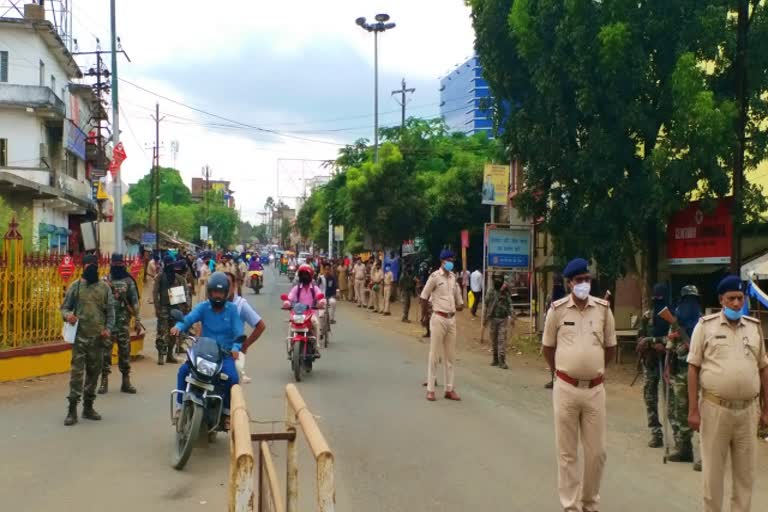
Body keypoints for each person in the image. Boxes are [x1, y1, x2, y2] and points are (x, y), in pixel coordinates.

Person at [687, 275, 768, 512]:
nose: (736, 304)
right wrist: (693, 411)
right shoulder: (705, 326)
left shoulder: (753, 328)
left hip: (747, 411)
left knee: (745, 477)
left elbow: (763, 369)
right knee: (713, 476)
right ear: (721, 300)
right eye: (731, 298)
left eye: (740, 299)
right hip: (715, 410)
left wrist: (765, 409)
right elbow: (693, 369)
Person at [541, 258, 616, 512]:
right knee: (567, 453)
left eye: (587, 279)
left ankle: (589, 502)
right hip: (566, 388)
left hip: (595, 389)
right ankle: (570, 506)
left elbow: (610, 348)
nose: (584, 284)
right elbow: (547, 348)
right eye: (579, 280)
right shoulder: (557, 310)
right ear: (569, 283)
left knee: (597, 453)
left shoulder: (604, 310)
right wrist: (562, 372)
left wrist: (593, 370)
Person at [171, 272, 243, 428]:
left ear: (226, 293)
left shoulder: (232, 310)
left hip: (224, 355)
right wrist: (178, 327)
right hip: (203, 351)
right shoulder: (203, 307)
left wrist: (236, 347)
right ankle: (179, 407)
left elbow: (239, 332)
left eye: (221, 293)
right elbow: (188, 319)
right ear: (209, 292)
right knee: (183, 371)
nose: (217, 296)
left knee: (232, 378)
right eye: (214, 292)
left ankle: (226, 412)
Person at [61, 254, 115, 426]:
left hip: (98, 340)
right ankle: (72, 410)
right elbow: (64, 308)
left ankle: (88, 407)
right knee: (77, 374)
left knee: (94, 374)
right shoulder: (75, 287)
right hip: (80, 339)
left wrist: (108, 329)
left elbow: (111, 312)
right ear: (82, 266)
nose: (91, 267)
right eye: (88, 265)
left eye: (94, 264)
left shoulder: (105, 288)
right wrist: (68, 315)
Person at [420, 249, 464, 402]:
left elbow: (460, 302)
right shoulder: (434, 277)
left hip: (451, 319)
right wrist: (424, 315)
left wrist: (460, 304)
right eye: (449, 259)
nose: (451, 262)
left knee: (450, 356)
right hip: (438, 317)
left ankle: (449, 389)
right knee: (434, 354)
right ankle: (431, 389)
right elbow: (424, 297)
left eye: (452, 259)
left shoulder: (453, 278)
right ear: (442, 261)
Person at [664, 284, 701, 463]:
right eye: (687, 300)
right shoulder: (676, 321)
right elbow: (669, 347)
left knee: (702, 412)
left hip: (700, 373)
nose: (690, 304)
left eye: (693, 300)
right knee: (680, 411)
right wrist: (667, 366)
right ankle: (685, 450)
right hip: (679, 371)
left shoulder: (703, 323)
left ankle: (704, 456)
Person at [98, 253, 141, 395]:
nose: (117, 266)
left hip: (123, 323)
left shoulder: (129, 281)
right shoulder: (104, 280)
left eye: (119, 264)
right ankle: (104, 381)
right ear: (111, 264)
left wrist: (138, 320)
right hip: (108, 324)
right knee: (105, 353)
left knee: (125, 353)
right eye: (115, 264)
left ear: (123, 264)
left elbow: (134, 301)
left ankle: (126, 381)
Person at [635, 283, 671, 448]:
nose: (657, 301)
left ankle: (679, 438)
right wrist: (649, 344)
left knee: (671, 400)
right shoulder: (647, 316)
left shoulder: (672, 315)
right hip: (650, 363)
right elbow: (640, 338)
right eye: (655, 298)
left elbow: (676, 337)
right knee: (650, 398)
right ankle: (656, 433)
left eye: (660, 298)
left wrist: (660, 342)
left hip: (669, 362)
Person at [223, 273, 267, 384]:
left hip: (233, 351)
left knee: (234, 378)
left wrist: (245, 344)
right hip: (214, 350)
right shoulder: (214, 303)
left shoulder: (241, 305)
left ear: (234, 285)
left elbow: (260, 326)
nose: (225, 288)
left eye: (228, 284)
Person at [153, 255, 187, 365]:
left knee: (173, 332)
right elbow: (155, 293)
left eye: (171, 264)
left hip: (175, 309)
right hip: (163, 308)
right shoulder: (160, 277)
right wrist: (157, 308)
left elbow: (183, 295)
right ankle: (161, 356)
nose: (169, 266)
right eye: (168, 264)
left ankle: (169, 355)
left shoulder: (178, 278)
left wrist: (182, 310)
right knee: (162, 333)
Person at [484, 273, 515, 369]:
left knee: (502, 340)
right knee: (494, 339)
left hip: (503, 319)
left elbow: (510, 304)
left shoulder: (505, 292)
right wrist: (485, 318)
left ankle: (502, 360)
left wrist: (512, 316)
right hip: (493, 318)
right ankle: (495, 359)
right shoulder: (490, 291)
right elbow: (486, 304)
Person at [544, 275, 567, 389]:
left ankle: (559, 380)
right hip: (556, 330)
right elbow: (547, 312)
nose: (556, 284)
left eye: (557, 282)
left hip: (562, 331)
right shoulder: (552, 296)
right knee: (554, 356)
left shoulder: (564, 297)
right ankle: (555, 380)